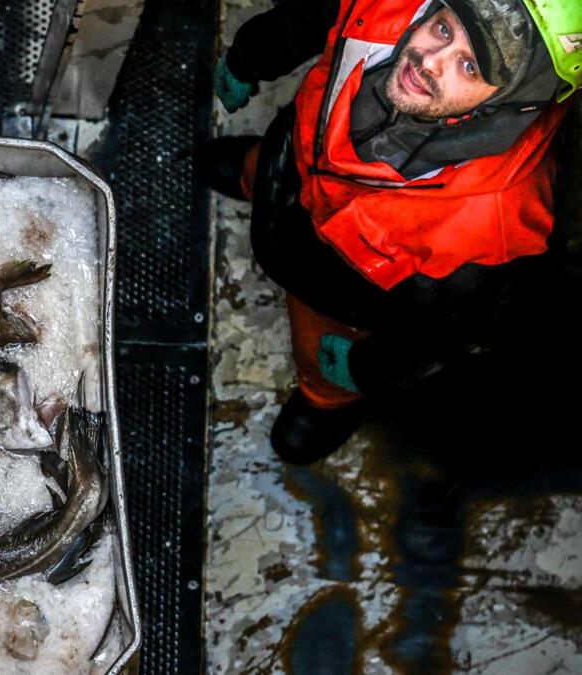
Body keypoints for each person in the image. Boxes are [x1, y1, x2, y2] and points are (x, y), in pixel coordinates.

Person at [201, 0, 582, 463]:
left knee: (318, 350)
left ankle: (325, 400)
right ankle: (250, 171)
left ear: (517, 101)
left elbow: (442, 330)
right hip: (296, 157)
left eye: (468, 65)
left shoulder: (494, 227)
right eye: (443, 28)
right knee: (267, 171)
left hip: (337, 289)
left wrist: (366, 370)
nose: (427, 61)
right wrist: (250, 56)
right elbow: (307, 15)